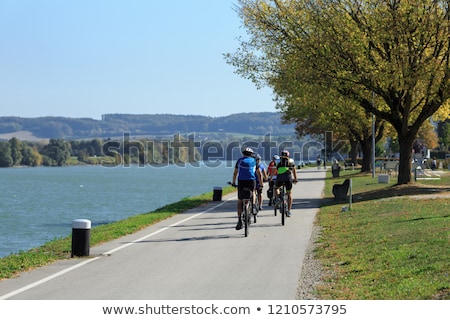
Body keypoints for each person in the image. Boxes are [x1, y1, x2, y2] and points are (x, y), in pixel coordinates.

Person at [231, 147, 263, 230]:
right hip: (251, 181)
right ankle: (253, 207)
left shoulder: (239, 160)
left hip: (241, 181)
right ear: (251, 154)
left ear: (243, 154)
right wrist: (261, 183)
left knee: (240, 201)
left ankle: (239, 221)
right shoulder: (254, 161)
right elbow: (259, 174)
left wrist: (234, 182)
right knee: (253, 191)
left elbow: (235, 173)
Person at [271, 150, 297, 217]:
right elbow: (294, 171)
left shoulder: (277, 161)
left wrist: (271, 178)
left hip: (280, 178)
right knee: (289, 194)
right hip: (288, 178)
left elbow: (274, 170)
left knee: (276, 187)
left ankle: (278, 198)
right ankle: (288, 211)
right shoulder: (291, 161)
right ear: (288, 155)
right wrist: (295, 179)